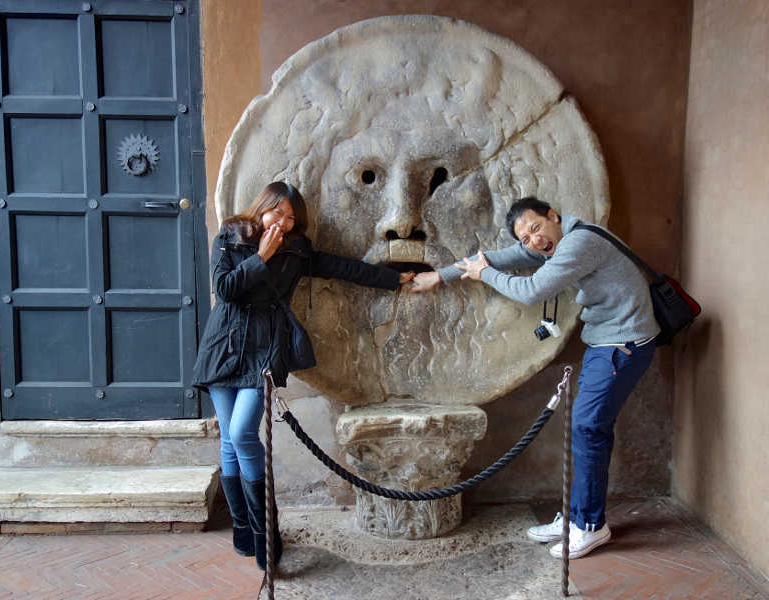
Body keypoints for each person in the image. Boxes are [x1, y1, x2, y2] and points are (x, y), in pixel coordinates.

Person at [411, 196, 659, 559]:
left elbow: (531, 291)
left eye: (536, 228)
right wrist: (439, 276)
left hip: (624, 342)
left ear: (553, 217)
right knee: (589, 429)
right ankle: (577, 518)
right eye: (525, 239)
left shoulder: (579, 242)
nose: (534, 241)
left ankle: (589, 526)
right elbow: (497, 257)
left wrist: (485, 276)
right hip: (605, 341)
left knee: (588, 428)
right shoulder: (556, 243)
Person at [193, 182, 413, 570]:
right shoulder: (229, 235)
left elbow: (343, 268)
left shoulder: (297, 250)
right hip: (222, 347)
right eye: (278, 212)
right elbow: (225, 290)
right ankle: (243, 532)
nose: (283, 222)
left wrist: (394, 278)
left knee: (243, 432)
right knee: (228, 440)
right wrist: (261, 256)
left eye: (291, 218)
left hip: (263, 348)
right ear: (262, 208)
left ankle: (266, 534)